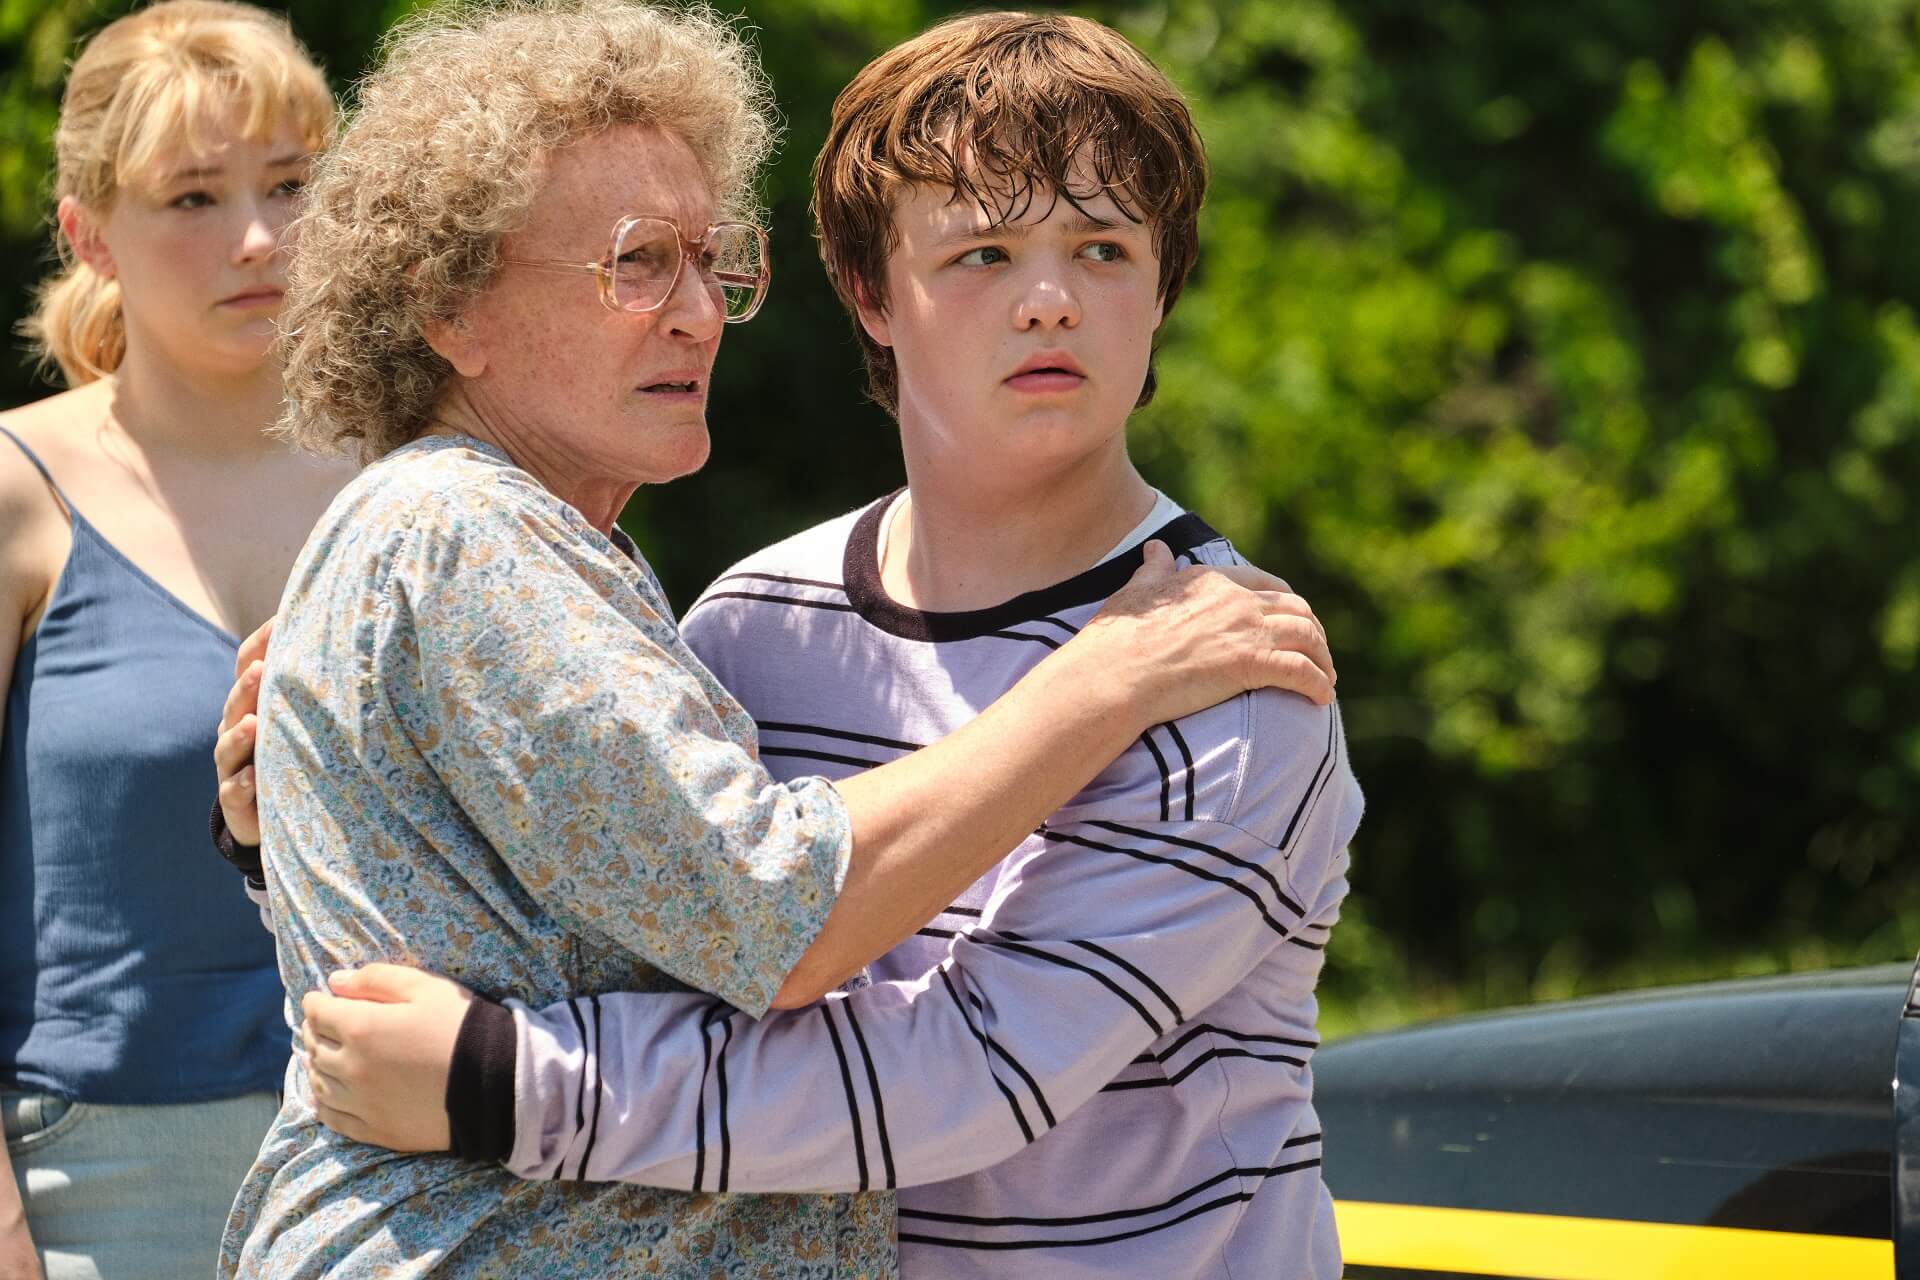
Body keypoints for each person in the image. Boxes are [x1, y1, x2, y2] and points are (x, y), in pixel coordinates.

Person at [224, 9, 1363, 1278]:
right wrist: (1095, 682)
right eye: (637, 263)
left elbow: (965, 1064)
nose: (697, 313)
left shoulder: (1227, 662)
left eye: (1103, 246)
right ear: (871, 294)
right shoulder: (737, 615)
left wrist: (485, 1062)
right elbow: (761, 911)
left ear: (1163, 286)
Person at [0, 4, 344, 1278]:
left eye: (289, 183)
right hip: (98, 1181)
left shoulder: (419, 478)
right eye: (193, 197)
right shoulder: (18, 489)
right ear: (87, 232)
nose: (257, 237)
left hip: (398, 1163)